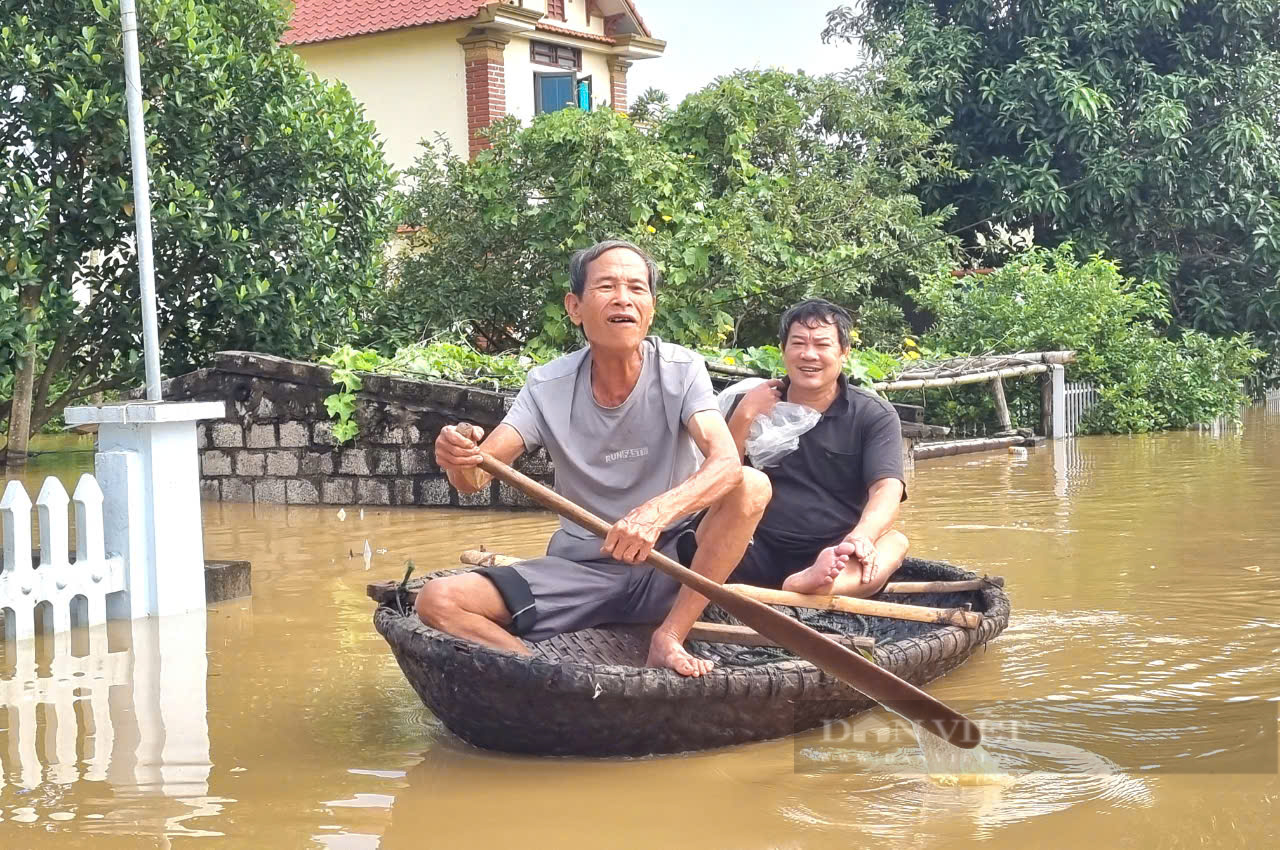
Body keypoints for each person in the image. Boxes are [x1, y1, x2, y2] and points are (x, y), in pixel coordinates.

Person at [415, 239, 771, 677]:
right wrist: (460, 457)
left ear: (652, 308)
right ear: (575, 307)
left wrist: (654, 515)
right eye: (607, 286)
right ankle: (537, 677)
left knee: (753, 486)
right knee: (437, 600)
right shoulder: (547, 385)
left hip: (672, 565)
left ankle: (670, 636)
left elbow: (726, 464)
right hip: (582, 569)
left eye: (637, 289)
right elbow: (476, 478)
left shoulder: (680, 369)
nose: (623, 298)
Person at [724, 298, 909, 597]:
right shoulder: (750, 403)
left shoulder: (873, 414)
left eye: (822, 345)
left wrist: (861, 536)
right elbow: (719, 475)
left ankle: (817, 585)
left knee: (895, 542)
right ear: (783, 350)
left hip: (834, 554)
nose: (809, 354)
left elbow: (886, 489)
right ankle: (810, 589)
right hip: (753, 546)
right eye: (798, 343)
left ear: (844, 353)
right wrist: (744, 416)